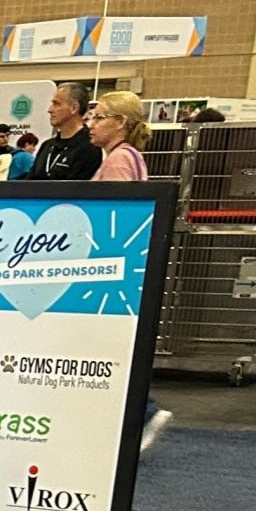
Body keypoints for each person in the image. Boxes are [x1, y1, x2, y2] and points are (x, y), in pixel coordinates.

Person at [83, 91, 171, 452]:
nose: (92, 124)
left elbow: (114, 221)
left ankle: (144, 411)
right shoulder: (128, 157)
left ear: (120, 122)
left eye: (100, 117)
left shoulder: (119, 161)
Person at [29, 82, 103, 181]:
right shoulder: (47, 146)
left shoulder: (89, 147)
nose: (50, 110)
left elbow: (78, 188)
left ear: (74, 108)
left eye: (56, 104)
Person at [87, 89, 151, 181]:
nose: (90, 125)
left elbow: (118, 190)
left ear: (120, 122)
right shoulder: (129, 154)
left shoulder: (118, 158)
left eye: (99, 118)